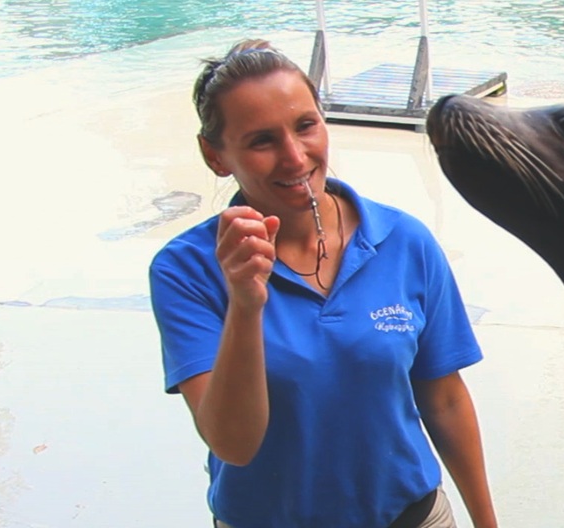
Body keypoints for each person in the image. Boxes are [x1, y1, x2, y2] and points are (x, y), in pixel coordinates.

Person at [149, 38, 498, 528]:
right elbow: (233, 444)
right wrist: (246, 304)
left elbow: (444, 399)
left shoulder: (403, 241)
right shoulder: (187, 270)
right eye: (262, 141)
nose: (295, 158)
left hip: (413, 516)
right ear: (216, 156)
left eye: (305, 126)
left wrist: (486, 522)